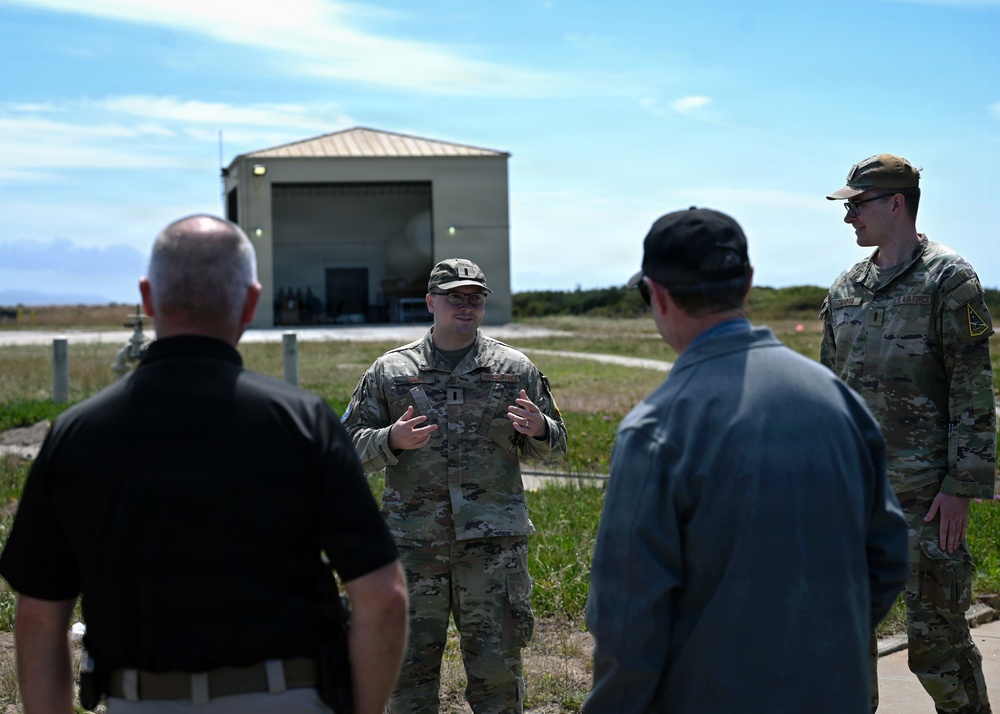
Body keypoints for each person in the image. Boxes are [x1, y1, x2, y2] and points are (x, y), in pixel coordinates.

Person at [0, 215, 409, 714]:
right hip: (289, 697)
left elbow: (40, 619)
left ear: (148, 298)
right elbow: (384, 597)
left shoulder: (76, 432)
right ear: (251, 302)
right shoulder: (304, 423)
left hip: (139, 700)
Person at [584, 207, 909, 714]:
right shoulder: (838, 402)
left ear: (659, 295)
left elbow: (628, 622)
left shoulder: (657, 429)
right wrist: (817, 650)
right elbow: (887, 556)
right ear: (749, 283)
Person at [341, 258, 568, 714]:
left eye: (475, 298)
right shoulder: (391, 372)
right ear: (430, 303)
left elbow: (557, 446)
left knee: (498, 673)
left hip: (493, 548)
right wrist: (391, 440)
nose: (465, 307)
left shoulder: (514, 369)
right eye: (454, 297)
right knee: (408, 674)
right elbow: (345, 448)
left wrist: (540, 429)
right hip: (414, 545)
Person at [821, 154, 997, 714]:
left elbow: (973, 389)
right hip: (854, 498)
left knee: (936, 648)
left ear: (896, 203)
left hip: (926, 501)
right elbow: (830, 393)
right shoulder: (845, 287)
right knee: (843, 642)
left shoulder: (949, 279)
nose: (848, 217)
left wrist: (961, 485)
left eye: (857, 204)